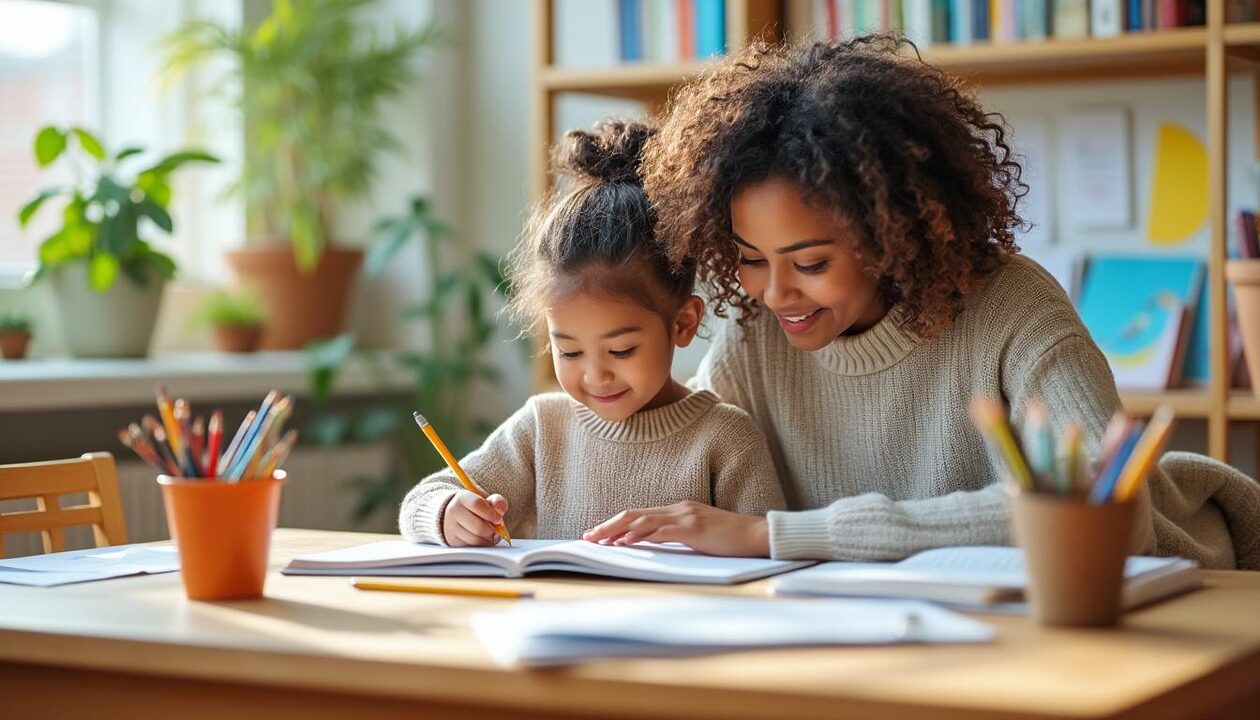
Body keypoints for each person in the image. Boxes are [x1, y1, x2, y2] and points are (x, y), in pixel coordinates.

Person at [582, 35, 1168, 561]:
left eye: (811, 263)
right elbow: (682, 478)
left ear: (891, 234)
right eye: (752, 259)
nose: (776, 292)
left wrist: (777, 535)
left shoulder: (1012, 308)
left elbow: (1113, 510)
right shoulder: (755, 334)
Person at [398, 119, 785, 547]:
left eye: (620, 350)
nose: (595, 376)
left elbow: (769, 553)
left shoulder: (726, 438)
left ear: (683, 323)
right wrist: (448, 514)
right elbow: (423, 498)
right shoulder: (542, 428)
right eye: (569, 352)